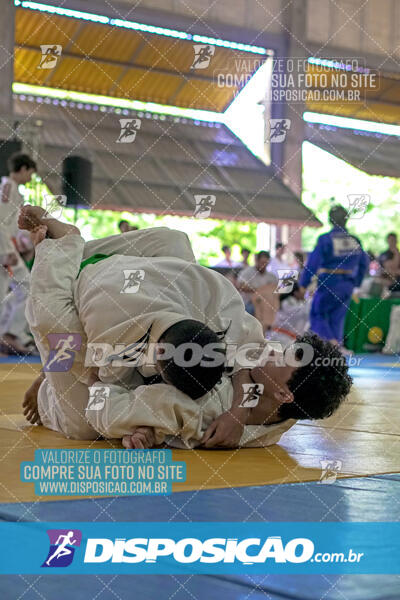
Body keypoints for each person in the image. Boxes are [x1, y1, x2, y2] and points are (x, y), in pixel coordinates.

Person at [20, 205, 265, 446]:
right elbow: (104, 389)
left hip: (123, 266)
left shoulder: (216, 294)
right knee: (81, 423)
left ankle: (70, 252)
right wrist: (140, 426)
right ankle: (61, 246)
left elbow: (248, 350)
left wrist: (238, 413)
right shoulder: (116, 341)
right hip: (75, 290)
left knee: (175, 242)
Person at [299, 205, 369, 346]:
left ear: (330, 220)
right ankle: (336, 348)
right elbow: (364, 263)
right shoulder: (355, 240)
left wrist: (304, 283)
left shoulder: (325, 239)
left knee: (318, 314)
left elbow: (313, 263)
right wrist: (356, 281)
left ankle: (329, 345)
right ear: (346, 220)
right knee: (337, 318)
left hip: (329, 282)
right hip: (347, 284)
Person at [0, 152, 36, 354]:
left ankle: (9, 335)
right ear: (23, 169)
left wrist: (22, 241)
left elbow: (10, 224)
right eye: (30, 173)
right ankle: (11, 334)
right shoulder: (8, 188)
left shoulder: (11, 189)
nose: (30, 178)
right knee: (26, 286)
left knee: (11, 291)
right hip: (3, 247)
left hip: (7, 245)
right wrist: (6, 252)